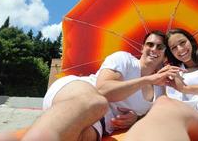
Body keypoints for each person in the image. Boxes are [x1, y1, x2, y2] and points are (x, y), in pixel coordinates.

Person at [19, 30, 181, 141]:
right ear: (142, 47)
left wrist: (136, 118)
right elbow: (103, 90)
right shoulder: (124, 59)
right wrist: (147, 79)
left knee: (79, 137)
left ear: (165, 55)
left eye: (160, 47)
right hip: (80, 92)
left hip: (103, 124)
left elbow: (154, 117)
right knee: (97, 103)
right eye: (149, 44)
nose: (154, 49)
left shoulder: (161, 89)